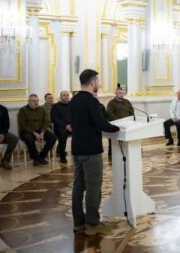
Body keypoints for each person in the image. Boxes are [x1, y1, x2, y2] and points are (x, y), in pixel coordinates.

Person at [71, 69, 122, 236]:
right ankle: (93, 223)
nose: (99, 84)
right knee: (93, 187)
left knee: (78, 187)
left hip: (77, 149)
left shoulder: (74, 100)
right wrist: (117, 128)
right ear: (92, 82)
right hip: (91, 150)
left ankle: (78, 223)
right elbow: (102, 123)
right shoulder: (90, 101)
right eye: (98, 81)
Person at [18, 94, 57, 166]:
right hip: (27, 132)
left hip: (40, 131)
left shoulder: (42, 109)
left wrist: (42, 132)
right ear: (29, 101)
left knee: (53, 137)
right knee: (29, 138)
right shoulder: (23, 110)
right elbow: (23, 125)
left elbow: (46, 122)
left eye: (37, 101)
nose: (36, 103)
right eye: (33, 101)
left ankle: (42, 156)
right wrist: (34, 133)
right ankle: (35, 158)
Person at [106, 87, 134, 157]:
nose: (121, 94)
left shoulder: (127, 102)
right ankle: (112, 153)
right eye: (119, 93)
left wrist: (131, 119)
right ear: (116, 94)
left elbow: (132, 111)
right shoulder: (111, 103)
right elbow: (109, 113)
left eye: (122, 93)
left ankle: (126, 152)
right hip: (116, 125)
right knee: (115, 140)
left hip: (127, 124)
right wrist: (118, 122)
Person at [51, 90, 72, 163]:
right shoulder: (55, 106)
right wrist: (65, 126)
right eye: (64, 95)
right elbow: (55, 119)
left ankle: (78, 153)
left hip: (71, 126)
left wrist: (72, 125)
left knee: (81, 132)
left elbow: (76, 116)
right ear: (60, 97)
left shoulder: (72, 105)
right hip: (60, 127)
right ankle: (62, 155)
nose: (66, 97)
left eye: (67, 95)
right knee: (63, 134)